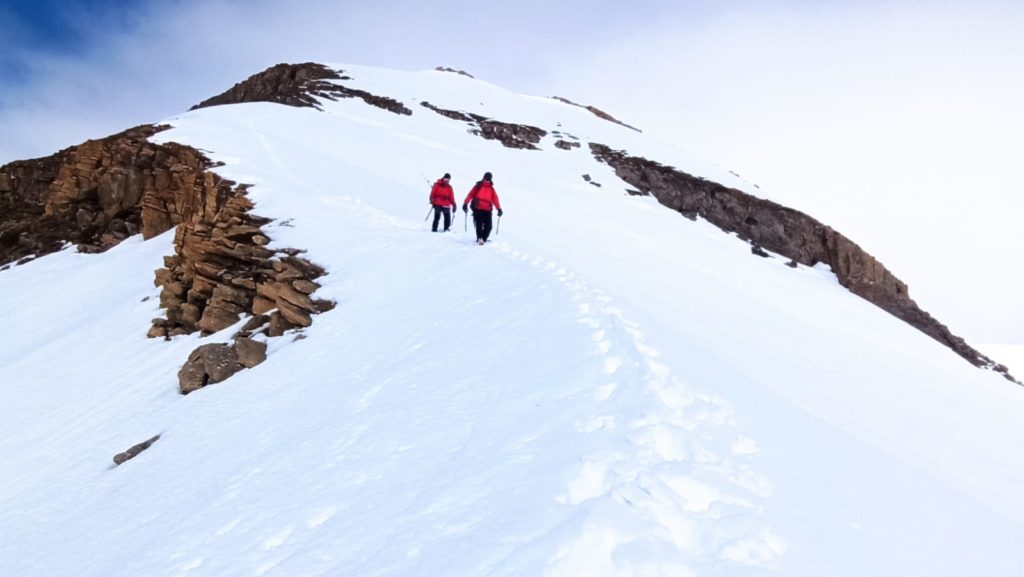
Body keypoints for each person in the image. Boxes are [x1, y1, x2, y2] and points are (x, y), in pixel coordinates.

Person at [463, 172, 503, 245]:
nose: (487, 179)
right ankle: (480, 238)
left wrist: (499, 209)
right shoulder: (478, 186)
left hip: (487, 209)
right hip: (478, 208)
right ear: (484, 177)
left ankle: (483, 238)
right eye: (486, 177)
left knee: (489, 226)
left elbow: (495, 199)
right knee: (479, 224)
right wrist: (465, 203)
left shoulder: (491, 188)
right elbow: (471, 194)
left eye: (489, 178)